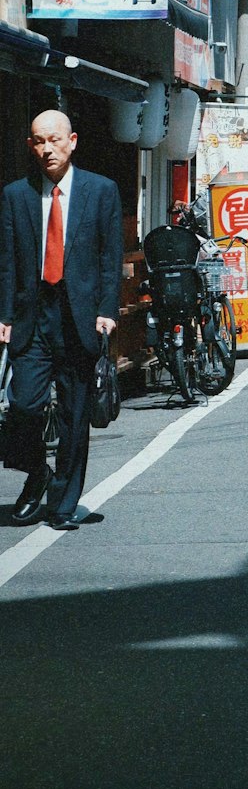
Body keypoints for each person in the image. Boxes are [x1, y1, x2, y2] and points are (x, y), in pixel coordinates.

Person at [0, 109, 123, 530]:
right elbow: (8, 261)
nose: (47, 148)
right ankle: (37, 473)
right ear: (30, 146)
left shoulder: (101, 190)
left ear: (72, 140)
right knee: (23, 405)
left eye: (54, 139)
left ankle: (64, 504)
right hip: (32, 316)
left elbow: (110, 258)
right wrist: (5, 314)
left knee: (73, 415)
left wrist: (107, 310)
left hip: (80, 317)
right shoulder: (17, 195)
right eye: (38, 141)